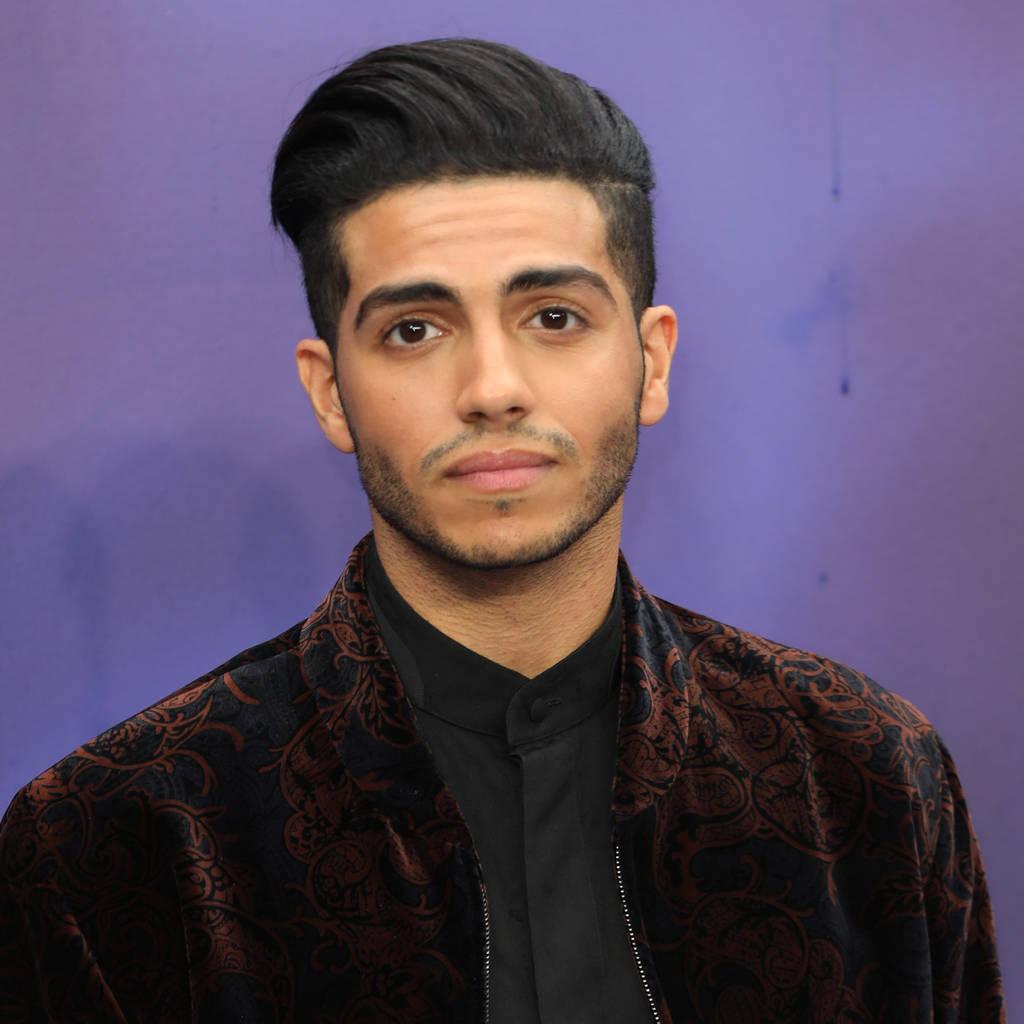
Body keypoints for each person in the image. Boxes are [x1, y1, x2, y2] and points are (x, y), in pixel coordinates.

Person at [0, 37, 1004, 1024]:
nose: (491, 388)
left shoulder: (864, 777)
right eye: (414, 330)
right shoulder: (124, 840)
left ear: (652, 362)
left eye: (553, 317)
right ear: (330, 390)